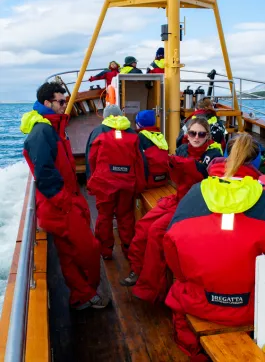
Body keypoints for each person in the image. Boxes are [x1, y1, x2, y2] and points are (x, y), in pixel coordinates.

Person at [163, 133, 265, 360]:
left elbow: (171, 252)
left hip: (197, 303)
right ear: (257, 164)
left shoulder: (194, 196)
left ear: (226, 158)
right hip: (252, 309)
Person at [20, 82, 109, 310]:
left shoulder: (53, 127)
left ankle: (82, 296)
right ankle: (86, 293)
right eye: (61, 102)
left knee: (69, 253)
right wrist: (66, 203)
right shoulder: (42, 131)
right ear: (47, 103)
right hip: (59, 205)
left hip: (64, 201)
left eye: (65, 102)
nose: (64, 107)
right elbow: (45, 173)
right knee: (89, 249)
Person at [120, 119, 222, 298]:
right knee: (143, 226)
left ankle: (150, 287)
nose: (196, 138)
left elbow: (207, 178)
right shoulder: (183, 149)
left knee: (156, 232)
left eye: (201, 134)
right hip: (179, 198)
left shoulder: (213, 154)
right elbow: (176, 179)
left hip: (196, 205)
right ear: (187, 134)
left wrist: (187, 165)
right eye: (192, 133)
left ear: (208, 136)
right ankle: (137, 270)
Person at [86, 104, 146, 259]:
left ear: (106, 117)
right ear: (120, 115)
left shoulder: (97, 132)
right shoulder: (132, 133)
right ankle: (128, 250)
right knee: (125, 217)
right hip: (127, 183)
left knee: (104, 217)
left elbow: (90, 159)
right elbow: (140, 162)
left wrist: (91, 182)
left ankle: (105, 251)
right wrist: (139, 186)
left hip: (104, 184)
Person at [136, 109, 169, 188]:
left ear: (140, 124)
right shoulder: (159, 135)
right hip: (163, 179)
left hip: (148, 181)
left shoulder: (140, 136)